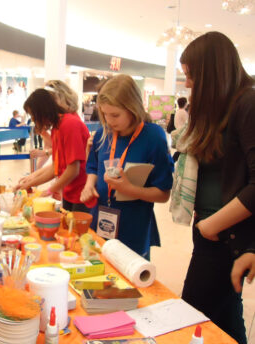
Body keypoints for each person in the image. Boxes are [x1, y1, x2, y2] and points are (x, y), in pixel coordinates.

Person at [178, 32, 254, 344]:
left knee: (190, 319)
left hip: (225, 236)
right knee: (224, 319)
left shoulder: (248, 104)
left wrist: (212, 224)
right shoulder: (220, 109)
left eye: (191, 76)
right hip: (212, 233)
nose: (187, 85)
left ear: (211, 72)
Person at [80, 75, 173, 259]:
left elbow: (163, 194)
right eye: (104, 114)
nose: (109, 121)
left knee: (128, 282)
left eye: (115, 115)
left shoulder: (154, 138)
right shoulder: (102, 134)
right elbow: (92, 166)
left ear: (133, 108)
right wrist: (89, 184)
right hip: (100, 222)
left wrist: (130, 189)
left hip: (133, 229)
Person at [15, 88, 90, 212]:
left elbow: (73, 170)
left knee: (77, 230)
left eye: (33, 115)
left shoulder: (69, 124)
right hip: (69, 191)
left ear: (42, 110)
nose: (33, 119)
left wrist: (50, 190)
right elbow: (55, 167)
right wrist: (28, 183)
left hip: (83, 193)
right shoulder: (57, 127)